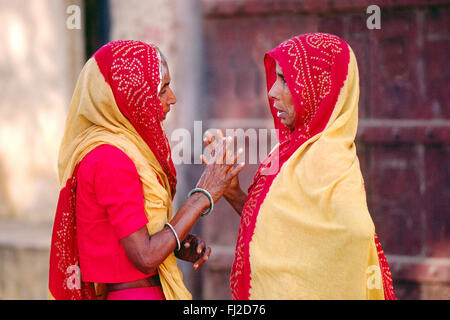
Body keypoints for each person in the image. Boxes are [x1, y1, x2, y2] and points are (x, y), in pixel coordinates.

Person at [204, 33, 396, 300]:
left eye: (285, 80)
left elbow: (355, 233)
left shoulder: (327, 157)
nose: (272, 91)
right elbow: (282, 228)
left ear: (319, 90)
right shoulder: (292, 151)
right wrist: (232, 191)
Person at [48, 40, 243, 300]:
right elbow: (145, 256)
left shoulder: (125, 150)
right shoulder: (109, 157)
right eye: (162, 89)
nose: (172, 99)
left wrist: (175, 245)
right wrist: (203, 195)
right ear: (130, 97)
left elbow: (128, 241)